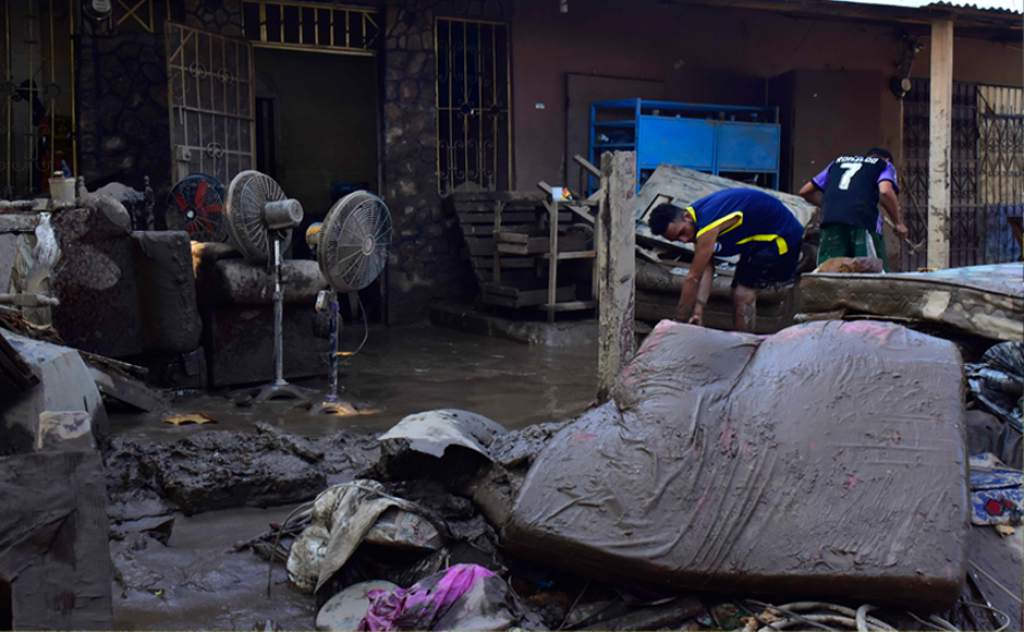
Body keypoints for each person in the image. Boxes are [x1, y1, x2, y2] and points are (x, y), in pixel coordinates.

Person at [647, 188, 804, 332]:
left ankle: (744, 344)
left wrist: (678, 322)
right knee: (736, 292)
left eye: (682, 232)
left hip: (781, 238)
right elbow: (707, 269)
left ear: (686, 216)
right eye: (677, 239)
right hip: (757, 241)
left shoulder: (707, 224)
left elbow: (693, 278)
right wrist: (698, 311)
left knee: (742, 294)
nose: (684, 240)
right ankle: (742, 338)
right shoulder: (695, 221)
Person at [798, 148, 907, 270]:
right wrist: (898, 223)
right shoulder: (885, 165)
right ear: (887, 160)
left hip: (831, 221)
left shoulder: (837, 162)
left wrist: (831, 206)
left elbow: (805, 191)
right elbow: (885, 191)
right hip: (862, 222)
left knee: (829, 269)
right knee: (870, 269)